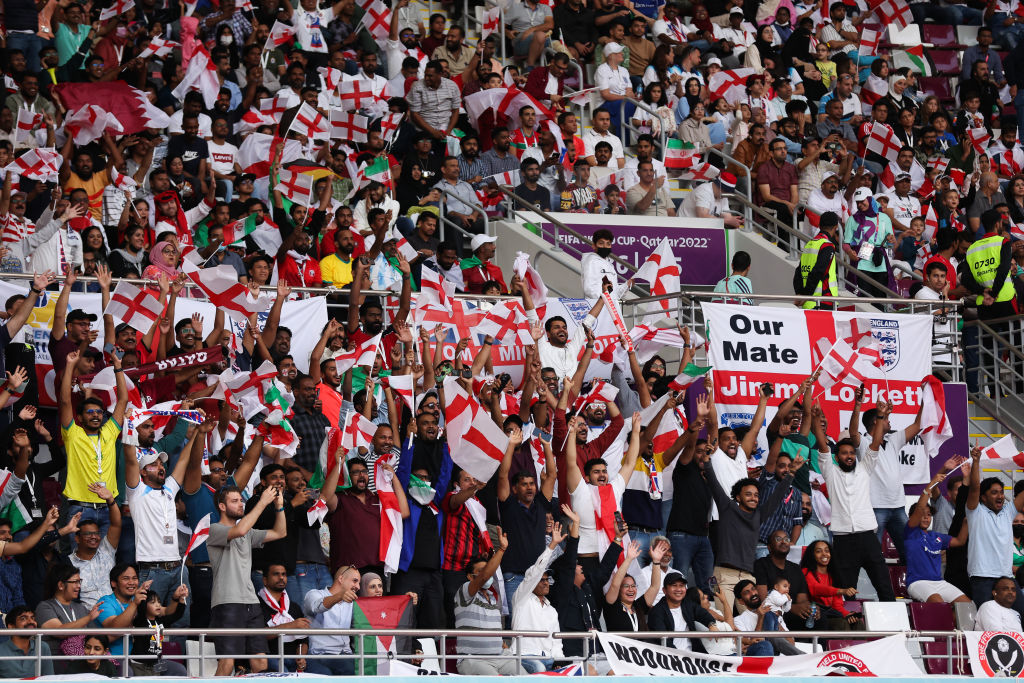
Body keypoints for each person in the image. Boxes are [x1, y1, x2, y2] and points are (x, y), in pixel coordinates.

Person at [810, 407, 895, 602]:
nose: (848, 456)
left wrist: (881, 416)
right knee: (845, 593)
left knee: (885, 587)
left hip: (868, 538)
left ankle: (896, 631)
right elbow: (822, 445)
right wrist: (816, 420)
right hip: (843, 541)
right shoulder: (830, 472)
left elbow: (875, 442)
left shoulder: (865, 468)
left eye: (851, 453)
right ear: (836, 457)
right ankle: (847, 632)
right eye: (844, 453)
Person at [207, 484, 288, 676]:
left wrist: (279, 506)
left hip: (251, 601)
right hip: (227, 601)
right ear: (222, 506)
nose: (241, 504)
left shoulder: (247, 532)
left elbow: (280, 533)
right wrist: (262, 502)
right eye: (235, 501)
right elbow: (241, 530)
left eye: (241, 500)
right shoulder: (213, 529)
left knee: (260, 663)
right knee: (227, 662)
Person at [966, 444, 1024, 615]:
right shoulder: (975, 511)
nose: (1000, 496)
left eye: (1001, 492)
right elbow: (975, 487)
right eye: (994, 492)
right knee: (988, 622)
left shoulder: (1008, 511)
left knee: (1021, 617)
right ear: (983, 497)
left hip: (1007, 578)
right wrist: (976, 462)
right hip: (982, 578)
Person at [904, 470, 971, 604]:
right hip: (918, 583)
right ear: (913, 517)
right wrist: (932, 483)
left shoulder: (936, 536)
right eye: (922, 514)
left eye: (929, 514)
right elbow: (920, 507)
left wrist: (967, 521)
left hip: (939, 582)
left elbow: (960, 541)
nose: (926, 517)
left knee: (967, 606)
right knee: (939, 605)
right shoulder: (910, 532)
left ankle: (955, 626)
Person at [302, 565, 362, 676]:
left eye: (359, 583)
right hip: (321, 654)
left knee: (367, 666)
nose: (358, 586)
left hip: (346, 654)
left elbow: (372, 611)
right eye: (355, 581)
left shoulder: (352, 602)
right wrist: (339, 596)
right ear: (340, 579)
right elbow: (317, 606)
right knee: (352, 668)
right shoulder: (314, 594)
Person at [794, 210, 841, 309]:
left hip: (808, 303)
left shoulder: (809, 244)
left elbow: (798, 271)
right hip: (823, 301)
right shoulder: (827, 245)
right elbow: (818, 271)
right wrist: (806, 295)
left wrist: (800, 293)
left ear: (819, 226)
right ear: (836, 227)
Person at [0, 607, 52, 677]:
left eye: (33, 618)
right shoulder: (1, 651)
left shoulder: (42, 647)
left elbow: (50, 679)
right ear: (11, 627)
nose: (31, 621)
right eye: (23, 618)